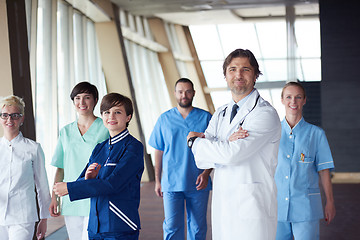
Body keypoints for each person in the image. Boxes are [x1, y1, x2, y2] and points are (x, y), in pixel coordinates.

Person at [187, 49, 281, 240]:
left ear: (255, 75)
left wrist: (194, 142)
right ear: (225, 75)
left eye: (245, 69)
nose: (238, 74)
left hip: (252, 206)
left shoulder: (264, 114)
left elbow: (231, 155)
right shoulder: (220, 113)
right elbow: (203, 161)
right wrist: (223, 144)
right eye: (232, 69)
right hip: (224, 205)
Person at [53, 93, 144, 240]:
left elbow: (113, 184)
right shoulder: (100, 148)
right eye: (107, 112)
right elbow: (81, 178)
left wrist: (69, 188)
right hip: (95, 225)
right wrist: (88, 178)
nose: (111, 117)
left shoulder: (133, 147)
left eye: (117, 112)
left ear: (128, 117)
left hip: (119, 224)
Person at [149, 78, 212, 240]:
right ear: (175, 93)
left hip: (198, 181)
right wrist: (157, 180)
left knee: (198, 227)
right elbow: (159, 150)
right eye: (181, 91)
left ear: (194, 93)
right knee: (171, 226)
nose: (184, 95)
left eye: (188, 91)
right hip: (171, 181)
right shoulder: (164, 119)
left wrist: (206, 173)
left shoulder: (206, 118)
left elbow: (214, 149)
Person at [275, 82, 336, 240]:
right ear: (282, 100)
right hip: (276, 207)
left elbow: (324, 171)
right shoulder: (272, 133)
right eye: (288, 97)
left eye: (298, 97)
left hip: (306, 207)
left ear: (304, 100)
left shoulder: (316, 134)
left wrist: (330, 201)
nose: (293, 101)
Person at [49, 82, 109, 240]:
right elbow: (61, 168)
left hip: (96, 196)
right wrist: (54, 198)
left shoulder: (106, 129)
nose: (81, 102)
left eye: (87, 97)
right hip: (71, 198)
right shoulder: (66, 132)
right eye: (77, 98)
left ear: (95, 100)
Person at [0, 95, 51, 240]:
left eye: (15, 115)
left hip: (23, 217)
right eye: (5, 115)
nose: (9, 120)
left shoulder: (33, 148)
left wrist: (44, 218)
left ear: (22, 119)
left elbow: (42, 185)